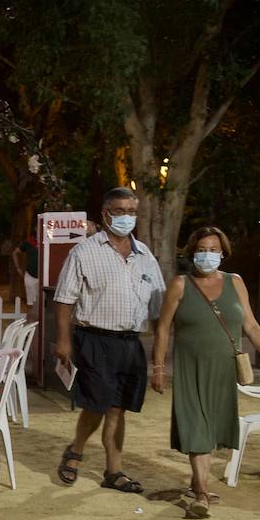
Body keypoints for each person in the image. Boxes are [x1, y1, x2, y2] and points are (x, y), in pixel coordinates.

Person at [152, 227, 260, 518]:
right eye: (202, 249)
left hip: (223, 370)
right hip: (190, 369)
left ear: (223, 253)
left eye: (213, 250)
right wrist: (158, 368)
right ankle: (201, 494)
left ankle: (196, 483)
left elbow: (250, 323)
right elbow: (162, 329)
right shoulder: (180, 285)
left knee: (211, 431)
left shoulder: (236, 282)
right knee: (196, 428)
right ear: (191, 252)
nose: (207, 255)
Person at [53, 187, 167, 493]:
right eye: (121, 211)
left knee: (118, 407)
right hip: (95, 339)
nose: (127, 218)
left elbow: (158, 306)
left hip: (130, 343)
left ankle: (113, 471)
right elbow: (64, 299)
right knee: (98, 404)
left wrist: (159, 349)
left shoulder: (145, 256)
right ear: (106, 214)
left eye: (132, 212)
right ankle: (75, 451)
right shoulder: (85, 252)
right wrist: (63, 340)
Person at [12, 236, 40, 309]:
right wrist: (18, 268)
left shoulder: (48, 240)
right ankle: (32, 318)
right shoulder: (28, 242)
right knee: (31, 302)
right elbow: (15, 253)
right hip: (30, 275)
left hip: (45, 277)